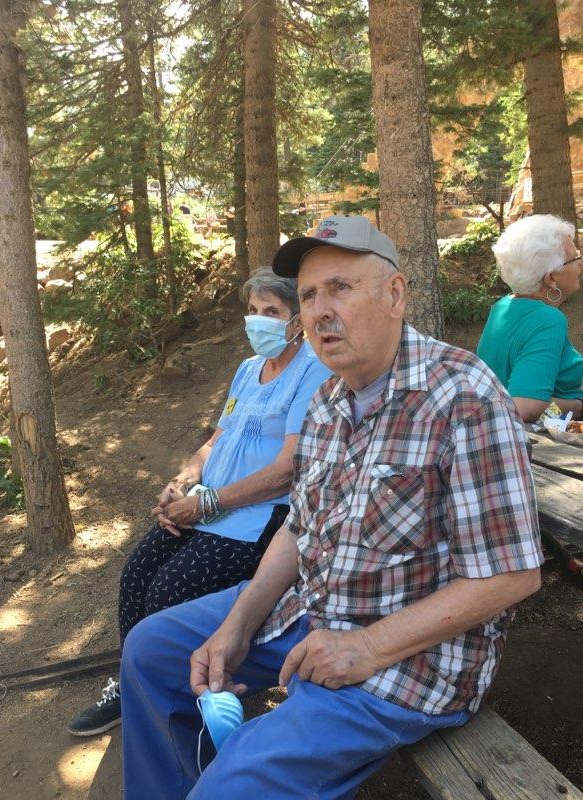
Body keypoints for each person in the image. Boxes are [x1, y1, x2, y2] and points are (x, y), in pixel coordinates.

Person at [120, 216, 542, 800]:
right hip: (313, 609)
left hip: (408, 656)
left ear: (395, 295)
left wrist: (365, 646)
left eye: (340, 288)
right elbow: (301, 525)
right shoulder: (328, 399)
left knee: (237, 779)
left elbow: (511, 574)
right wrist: (238, 624)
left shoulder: (464, 397)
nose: (319, 310)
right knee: (152, 649)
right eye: (311, 295)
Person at [66, 267, 331, 737]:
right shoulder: (248, 371)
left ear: (296, 321)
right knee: (135, 578)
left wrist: (206, 504)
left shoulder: (312, 371)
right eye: (253, 311)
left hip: (258, 520)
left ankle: (183, 708)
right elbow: (215, 441)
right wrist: (184, 479)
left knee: (167, 594)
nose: (259, 321)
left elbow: (289, 468)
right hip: (206, 507)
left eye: (272, 312)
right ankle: (135, 689)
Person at [477, 214, 583, 423]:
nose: (580, 263)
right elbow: (524, 407)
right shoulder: (548, 320)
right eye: (575, 257)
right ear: (552, 277)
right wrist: (577, 407)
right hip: (538, 447)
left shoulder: (503, 306)